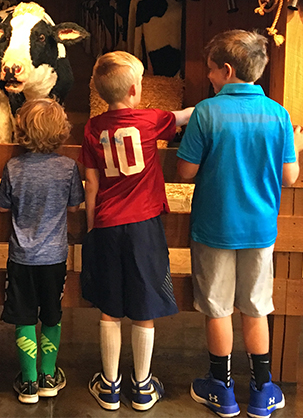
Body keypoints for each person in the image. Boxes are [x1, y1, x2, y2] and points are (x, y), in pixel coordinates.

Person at [177, 30, 303, 418]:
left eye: (212, 72)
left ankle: (222, 389)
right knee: (256, 307)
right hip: (259, 229)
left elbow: (186, 170)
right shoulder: (278, 114)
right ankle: (262, 391)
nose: (210, 79)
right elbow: (289, 177)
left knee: (217, 308)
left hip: (214, 226)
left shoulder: (206, 112)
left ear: (228, 70)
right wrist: (296, 149)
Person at [80, 50, 194, 412]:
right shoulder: (150, 120)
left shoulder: (93, 128)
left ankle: (110, 386)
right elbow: (186, 116)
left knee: (110, 307)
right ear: (134, 90)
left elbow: (91, 185)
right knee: (144, 304)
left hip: (108, 224)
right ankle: (143, 386)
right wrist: (220, 101)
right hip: (145, 225)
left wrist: (91, 230)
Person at [0, 98, 84, 405]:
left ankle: (29, 382)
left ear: (22, 131)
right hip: (55, 257)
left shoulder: (13, 167)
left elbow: (2, 204)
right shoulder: (68, 167)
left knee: (23, 316)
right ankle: (48, 374)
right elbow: (75, 205)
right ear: (61, 131)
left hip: (21, 256)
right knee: (51, 314)